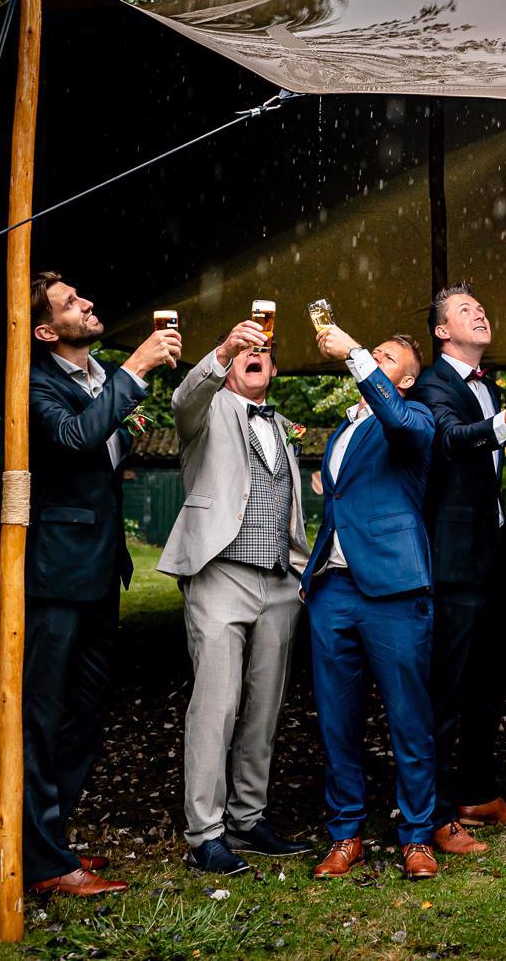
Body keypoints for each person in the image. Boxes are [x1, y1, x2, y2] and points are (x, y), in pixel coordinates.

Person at [22, 274, 180, 896]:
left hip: (101, 569)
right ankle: (43, 862)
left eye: (81, 296)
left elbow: (103, 446)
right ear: (45, 331)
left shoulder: (101, 376)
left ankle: (45, 844)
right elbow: (72, 438)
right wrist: (137, 367)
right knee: (42, 719)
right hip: (55, 574)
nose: (87, 303)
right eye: (70, 303)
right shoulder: (33, 383)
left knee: (85, 718)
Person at [159, 313, 311, 874]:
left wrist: (300, 572)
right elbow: (183, 398)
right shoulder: (204, 411)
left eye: (264, 352)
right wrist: (223, 349)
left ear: (273, 370)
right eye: (246, 351)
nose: (255, 356)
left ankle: (248, 818)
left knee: (264, 707)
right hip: (221, 574)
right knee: (216, 706)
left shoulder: (282, 425)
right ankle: (205, 833)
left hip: (279, 581)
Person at [411, 283, 506, 855]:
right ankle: (436, 813)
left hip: (491, 553)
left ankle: (477, 792)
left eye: (481, 307)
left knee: (489, 681)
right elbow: (450, 441)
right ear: (442, 331)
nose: (480, 314)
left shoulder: (487, 385)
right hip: (453, 560)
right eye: (465, 310)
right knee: (445, 689)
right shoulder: (432, 384)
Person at [302, 328, 440, 881]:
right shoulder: (343, 429)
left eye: (386, 358)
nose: (374, 360)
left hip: (394, 588)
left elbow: (400, 423)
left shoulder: (415, 418)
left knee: (409, 718)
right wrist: (311, 578)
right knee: (337, 720)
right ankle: (346, 834)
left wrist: (356, 354)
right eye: (373, 354)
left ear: (404, 380)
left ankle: (418, 835)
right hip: (333, 590)